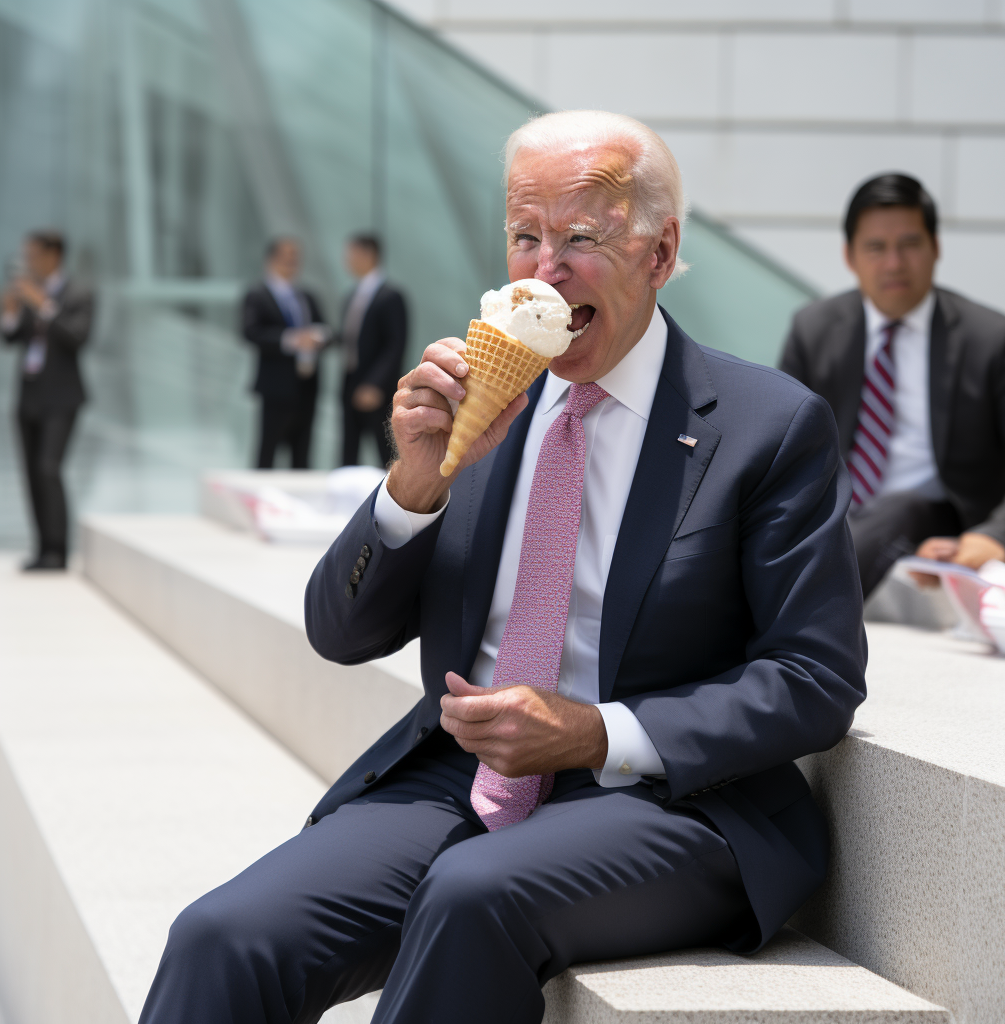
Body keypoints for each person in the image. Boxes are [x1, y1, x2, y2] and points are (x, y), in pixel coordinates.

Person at [140, 110, 867, 1024]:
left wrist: (594, 732)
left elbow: (816, 677)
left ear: (660, 249)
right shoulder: (485, 401)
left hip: (672, 801)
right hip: (464, 779)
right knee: (224, 935)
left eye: (581, 238)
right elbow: (341, 631)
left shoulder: (767, 425)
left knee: (470, 894)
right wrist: (413, 481)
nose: (545, 269)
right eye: (525, 236)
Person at [780, 174, 1005, 597]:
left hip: (943, 527)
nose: (894, 263)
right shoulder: (814, 330)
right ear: (849, 257)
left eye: (909, 244)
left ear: (936, 248)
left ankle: (805, 596)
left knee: (903, 507)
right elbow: (780, 451)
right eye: (876, 248)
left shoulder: (992, 339)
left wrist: (998, 536)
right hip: (838, 518)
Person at [1, 230, 93, 571]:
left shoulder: (78, 293)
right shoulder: (25, 293)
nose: (29, 262)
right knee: (31, 473)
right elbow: (11, 339)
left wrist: (44, 306)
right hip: (29, 396)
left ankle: (58, 549)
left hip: (63, 396)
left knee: (49, 468)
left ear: (54, 255)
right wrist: (10, 313)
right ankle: (41, 549)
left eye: (34, 254)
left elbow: (77, 337)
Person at [242, 237, 330, 469]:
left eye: (295, 258)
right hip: (276, 386)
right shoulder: (257, 294)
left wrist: (317, 337)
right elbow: (250, 332)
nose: (292, 262)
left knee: (302, 450)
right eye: (286, 257)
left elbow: (326, 330)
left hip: (307, 384)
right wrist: (291, 339)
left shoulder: (306, 296)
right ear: (271, 260)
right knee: (268, 449)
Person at [339, 234, 407, 467]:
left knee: (385, 454)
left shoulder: (391, 296)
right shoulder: (351, 296)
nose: (347, 260)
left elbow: (395, 345)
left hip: (376, 387)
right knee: (348, 451)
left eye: (352, 254)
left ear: (369, 255)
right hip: (349, 381)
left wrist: (374, 384)